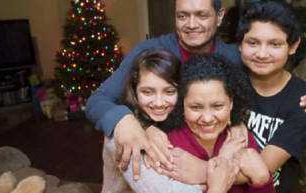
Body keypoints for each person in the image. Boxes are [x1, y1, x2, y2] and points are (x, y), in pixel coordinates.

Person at [85, 0, 306, 180]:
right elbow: (97, 100)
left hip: (211, 164)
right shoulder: (149, 52)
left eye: (202, 15)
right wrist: (125, 121)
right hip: (158, 157)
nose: (191, 24)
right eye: (182, 15)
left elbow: (272, 79)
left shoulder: (237, 59)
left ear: (220, 16)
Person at [102, 50, 263, 193]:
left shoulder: (237, 137)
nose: (159, 102)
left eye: (169, 91)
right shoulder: (129, 137)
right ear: (134, 92)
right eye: (147, 91)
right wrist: (221, 167)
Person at [236, 0, 306, 193]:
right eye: (253, 43)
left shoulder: (304, 100)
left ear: (293, 46)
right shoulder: (229, 81)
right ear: (240, 44)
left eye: (275, 44)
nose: (262, 54)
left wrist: (199, 171)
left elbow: (260, 170)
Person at [161, 54, 275, 193]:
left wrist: (262, 180)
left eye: (217, 106)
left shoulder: (241, 140)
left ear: (231, 103)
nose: (207, 118)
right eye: (195, 107)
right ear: (182, 104)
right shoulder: (168, 147)